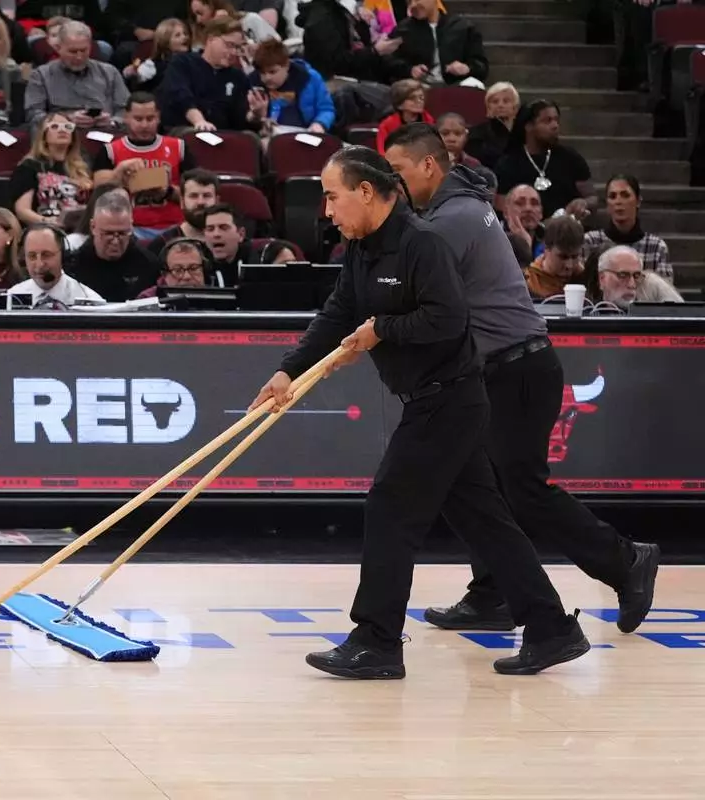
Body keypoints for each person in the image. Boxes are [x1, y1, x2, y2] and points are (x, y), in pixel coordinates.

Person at [249, 145, 589, 678]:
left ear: (366, 192)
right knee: (485, 521)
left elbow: (448, 319)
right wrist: (288, 370)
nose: (328, 212)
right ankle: (552, 627)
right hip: (435, 399)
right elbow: (338, 312)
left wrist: (382, 330)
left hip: (448, 398)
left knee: (390, 507)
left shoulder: (422, 243)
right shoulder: (361, 249)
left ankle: (377, 641)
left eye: (333, 197)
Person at [384, 123, 659, 635]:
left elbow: (407, 290)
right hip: (501, 368)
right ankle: (494, 592)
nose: (392, 181)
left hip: (516, 368)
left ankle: (625, 561)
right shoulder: (461, 206)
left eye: (397, 170)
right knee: (473, 484)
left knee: (522, 489)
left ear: (428, 165)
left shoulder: (452, 219)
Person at [91, 92, 195, 240]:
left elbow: (195, 195)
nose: (145, 125)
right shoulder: (110, 150)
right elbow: (98, 191)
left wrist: (167, 191)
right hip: (129, 228)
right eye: (138, 119)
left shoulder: (179, 147)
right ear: (126, 117)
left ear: (158, 117)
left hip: (174, 225)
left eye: (150, 119)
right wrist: (119, 171)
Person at [68, 191, 159, 301]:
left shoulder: (148, 264)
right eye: (108, 233)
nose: (115, 241)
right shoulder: (72, 266)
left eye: (122, 233)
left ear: (131, 227)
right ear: (93, 227)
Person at [582, 174, 673, 282]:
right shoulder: (591, 241)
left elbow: (664, 290)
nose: (618, 201)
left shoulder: (656, 247)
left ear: (638, 201)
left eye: (625, 195)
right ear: (607, 204)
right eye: (612, 196)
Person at [8, 224, 104, 308]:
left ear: (63, 256)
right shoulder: (12, 298)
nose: (39, 265)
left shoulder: (89, 301)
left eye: (46, 255)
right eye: (32, 256)